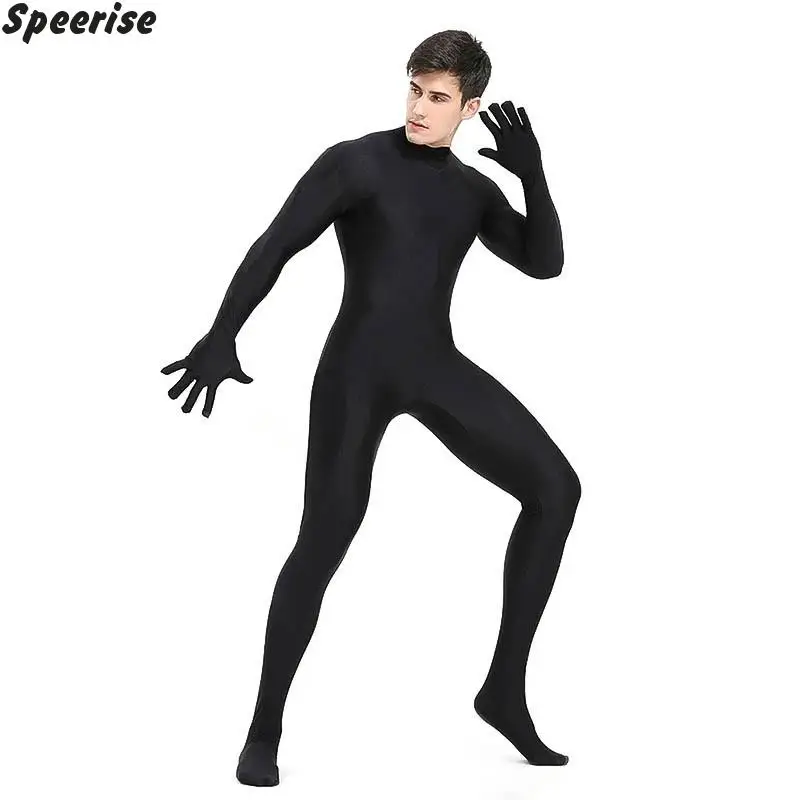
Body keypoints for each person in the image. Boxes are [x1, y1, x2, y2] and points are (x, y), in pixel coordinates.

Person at [161, 29, 581, 787]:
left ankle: (503, 692)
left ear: (470, 107)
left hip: (433, 364)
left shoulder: (473, 192)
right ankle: (263, 730)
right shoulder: (355, 162)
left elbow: (544, 264)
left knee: (557, 488)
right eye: (414, 89)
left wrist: (534, 174)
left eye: (439, 97)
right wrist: (222, 334)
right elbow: (275, 245)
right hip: (356, 370)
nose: (420, 107)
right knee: (324, 538)